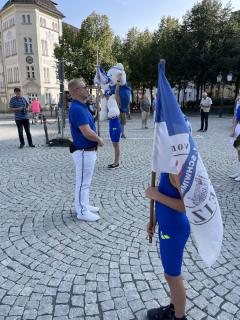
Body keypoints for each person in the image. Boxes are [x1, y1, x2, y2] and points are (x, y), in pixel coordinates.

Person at [145, 173, 190, 320]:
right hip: (167, 227)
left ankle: (179, 316)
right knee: (171, 274)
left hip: (174, 230)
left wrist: (156, 194)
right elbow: (167, 192)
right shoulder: (166, 164)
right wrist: (154, 221)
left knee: (173, 276)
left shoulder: (174, 170)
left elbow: (185, 205)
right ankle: (173, 308)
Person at [68, 78, 104, 222]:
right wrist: (99, 140)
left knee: (85, 182)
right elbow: (87, 132)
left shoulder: (81, 106)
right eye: (84, 87)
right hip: (84, 150)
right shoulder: (77, 109)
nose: (87, 89)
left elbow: (90, 120)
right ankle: (82, 211)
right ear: (76, 91)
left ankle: (84, 205)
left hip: (86, 150)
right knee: (83, 182)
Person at [107, 83, 122, 169]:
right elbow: (102, 94)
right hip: (111, 123)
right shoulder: (109, 100)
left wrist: (118, 84)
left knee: (116, 144)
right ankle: (115, 161)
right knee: (114, 144)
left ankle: (116, 163)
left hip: (115, 123)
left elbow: (116, 92)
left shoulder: (115, 99)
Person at [229, 96, 240, 181]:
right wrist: (233, 130)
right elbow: (236, 119)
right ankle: (239, 171)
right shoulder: (239, 106)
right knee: (238, 151)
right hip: (238, 129)